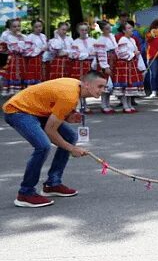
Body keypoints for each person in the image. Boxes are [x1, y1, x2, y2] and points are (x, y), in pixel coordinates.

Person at [3, 70, 107, 208]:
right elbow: (50, 131)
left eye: (104, 87)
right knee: (43, 146)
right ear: (87, 84)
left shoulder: (76, 86)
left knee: (70, 136)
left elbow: (52, 103)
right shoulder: (69, 96)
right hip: (18, 111)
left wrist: (67, 116)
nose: (103, 90)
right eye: (100, 86)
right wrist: (72, 149)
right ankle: (25, 193)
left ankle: (53, 184)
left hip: (36, 110)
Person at [112, 23, 145, 113]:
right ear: (124, 30)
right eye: (129, 28)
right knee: (125, 85)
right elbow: (122, 54)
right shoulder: (123, 40)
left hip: (131, 64)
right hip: (124, 65)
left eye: (131, 27)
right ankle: (125, 105)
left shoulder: (132, 40)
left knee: (130, 86)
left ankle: (129, 104)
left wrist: (136, 55)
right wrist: (134, 54)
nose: (131, 29)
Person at [93, 21, 118, 114]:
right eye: (107, 28)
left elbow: (116, 48)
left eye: (110, 28)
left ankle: (108, 103)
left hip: (112, 60)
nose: (109, 30)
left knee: (110, 84)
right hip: (106, 61)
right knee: (105, 83)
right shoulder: (101, 40)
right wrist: (105, 66)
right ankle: (103, 104)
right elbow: (101, 54)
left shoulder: (112, 36)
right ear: (102, 30)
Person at [23, 20, 47, 87]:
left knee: (43, 74)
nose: (39, 28)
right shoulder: (30, 37)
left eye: (40, 26)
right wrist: (39, 50)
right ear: (32, 28)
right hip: (34, 60)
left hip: (43, 59)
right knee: (34, 75)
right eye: (36, 27)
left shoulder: (43, 36)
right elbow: (26, 51)